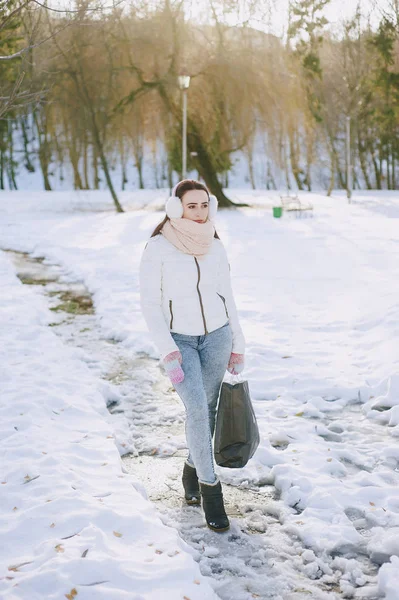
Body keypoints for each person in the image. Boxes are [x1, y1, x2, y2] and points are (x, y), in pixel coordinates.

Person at [139, 179, 245, 532]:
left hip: (217, 337)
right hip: (180, 341)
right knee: (197, 408)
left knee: (209, 411)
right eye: (191, 206)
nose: (199, 213)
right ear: (176, 207)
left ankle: (191, 469)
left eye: (204, 205)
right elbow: (151, 305)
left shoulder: (214, 244)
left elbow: (227, 296)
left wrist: (238, 343)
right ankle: (211, 491)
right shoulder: (158, 247)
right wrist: (167, 350)